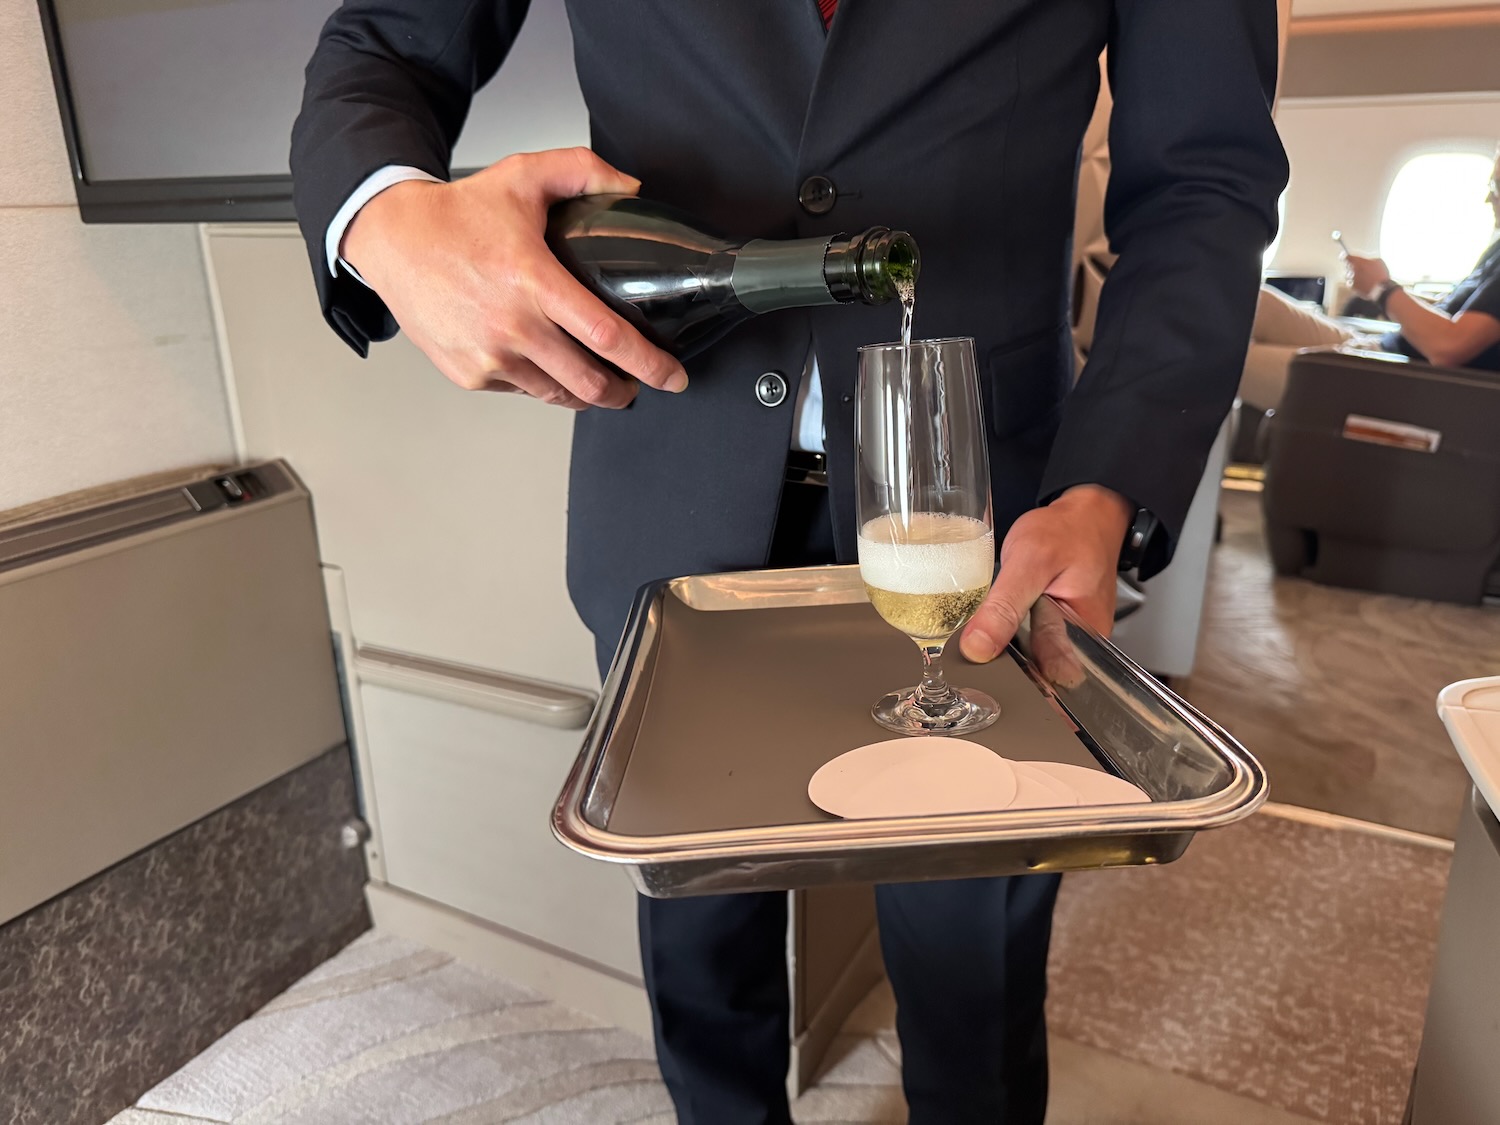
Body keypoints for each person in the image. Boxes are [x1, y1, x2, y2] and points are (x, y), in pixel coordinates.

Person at [290, 3, 1286, 1122]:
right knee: (701, 951)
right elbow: (381, 46)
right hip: (672, 497)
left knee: (977, 965)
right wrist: (386, 217)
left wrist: (1106, 485)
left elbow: (1205, 179)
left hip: (993, 514)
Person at [1251, 152, 1500, 372]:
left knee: (1241, 357)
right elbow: (1449, 316)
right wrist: (1386, 287)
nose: (1488, 198)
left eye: (1496, 185)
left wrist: (1382, 289)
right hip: (1379, 349)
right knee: (1257, 302)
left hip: (1393, 375)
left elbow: (1448, 347)